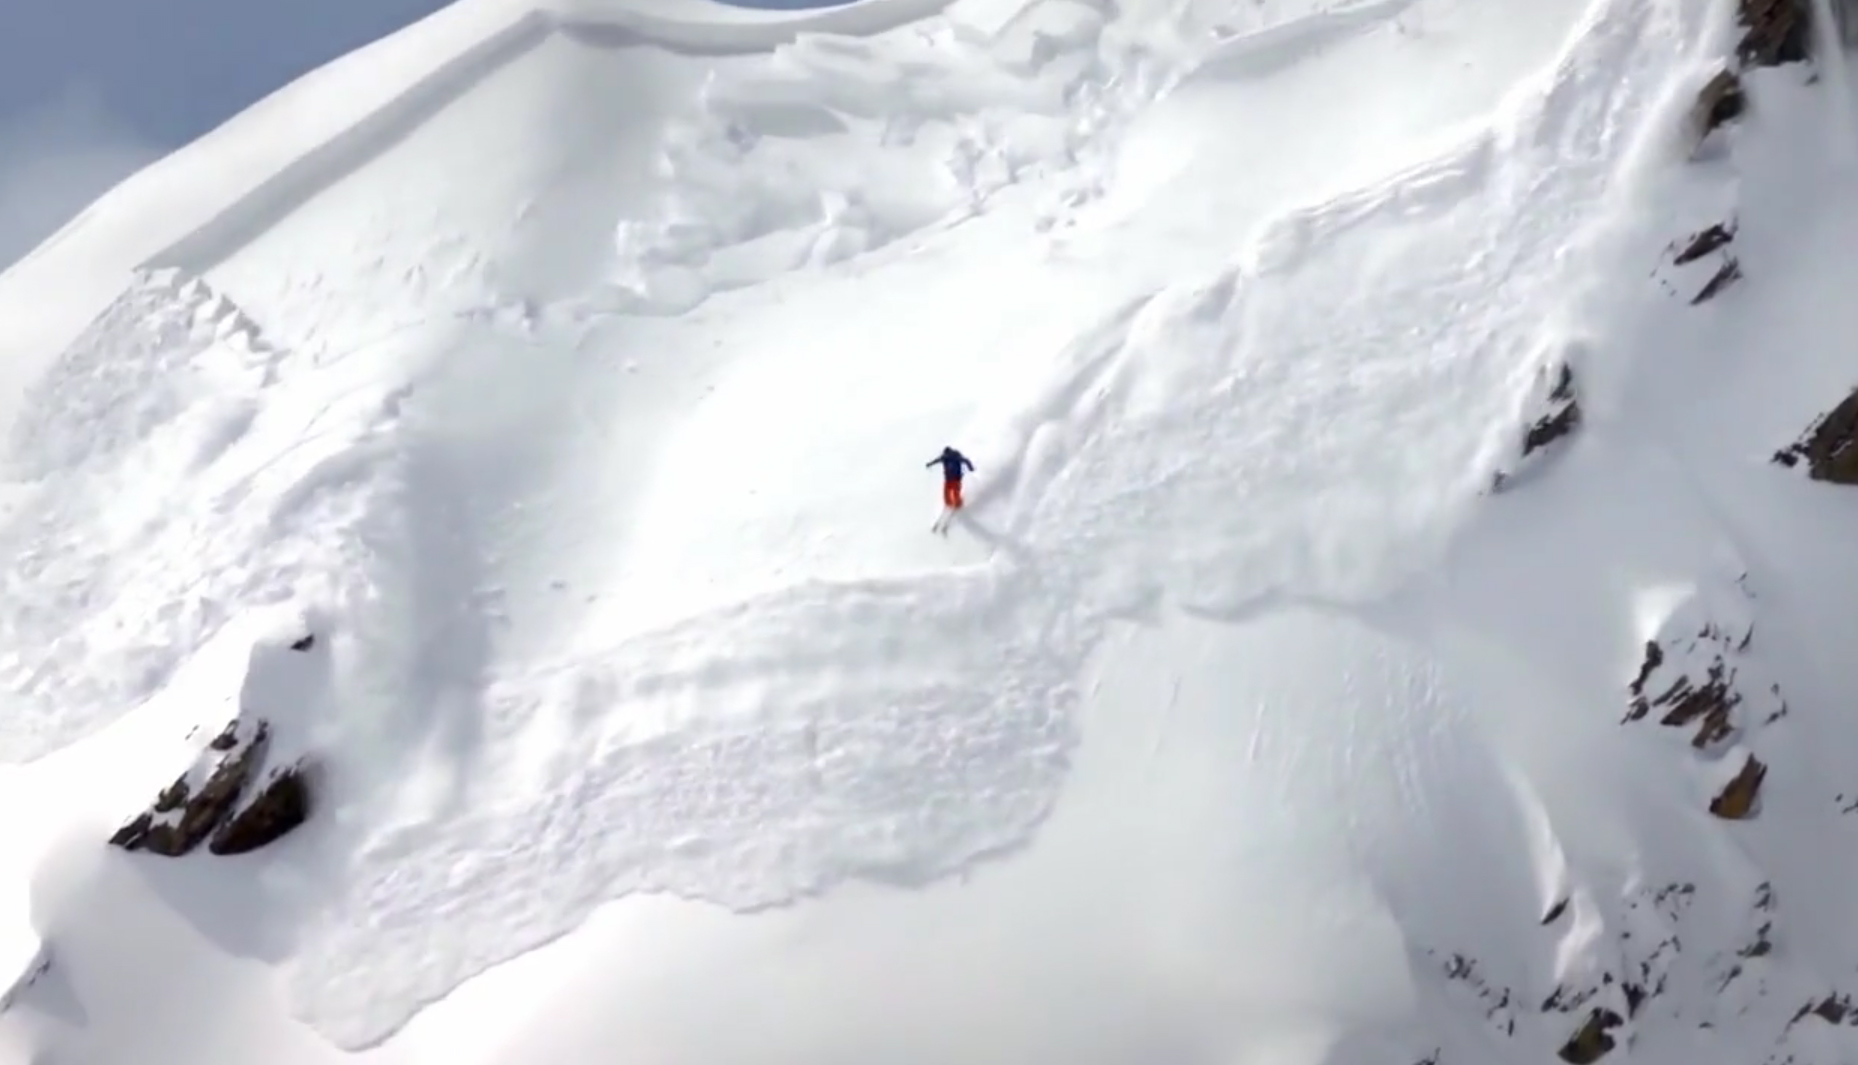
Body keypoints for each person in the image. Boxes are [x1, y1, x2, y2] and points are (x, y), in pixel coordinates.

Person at [927, 446, 975, 510]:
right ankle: (950, 506)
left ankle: (958, 506)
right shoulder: (945, 457)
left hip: (955, 479)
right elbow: (937, 460)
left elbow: (966, 460)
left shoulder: (955, 456)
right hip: (949, 480)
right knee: (947, 494)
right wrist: (930, 464)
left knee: (954, 493)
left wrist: (971, 467)